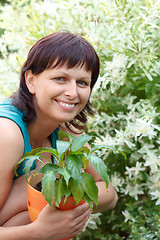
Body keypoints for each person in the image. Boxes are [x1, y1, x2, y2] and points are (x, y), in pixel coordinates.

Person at [0, 31, 118, 240]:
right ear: (31, 81)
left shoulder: (65, 131)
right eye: (60, 78)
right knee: (41, 178)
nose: (73, 93)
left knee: (48, 188)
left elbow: (110, 195)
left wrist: (64, 199)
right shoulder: (7, 134)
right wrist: (37, 232)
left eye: (82, 82)